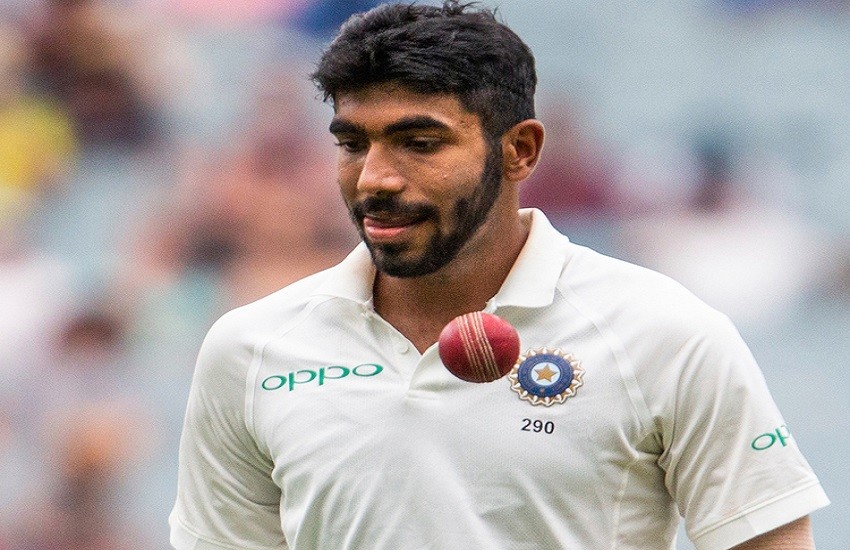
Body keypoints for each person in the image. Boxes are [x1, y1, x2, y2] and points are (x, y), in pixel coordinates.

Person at [169, 2, 829, 549]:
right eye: (352, 143)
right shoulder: (249, 349)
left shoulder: (664, 333)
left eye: (419, 143)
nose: (374, 178)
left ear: (520, 151)